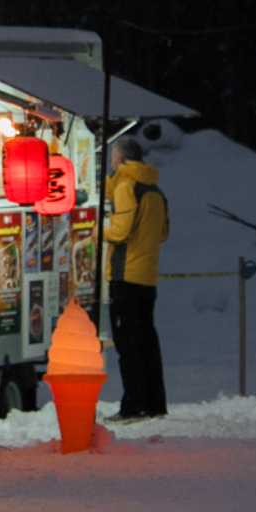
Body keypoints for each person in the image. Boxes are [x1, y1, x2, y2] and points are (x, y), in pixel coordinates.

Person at [103, 136, 170, 421]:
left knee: (127, 344)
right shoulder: (154, 189)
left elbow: (119, 231)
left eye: (112, 158)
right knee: (147, 342)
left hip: (125, 276)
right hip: (147, 277)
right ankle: (155, 403)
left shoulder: (126, 186)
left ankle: (133, 405)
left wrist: (99, 227)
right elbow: (163, 234)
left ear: (121, 159)